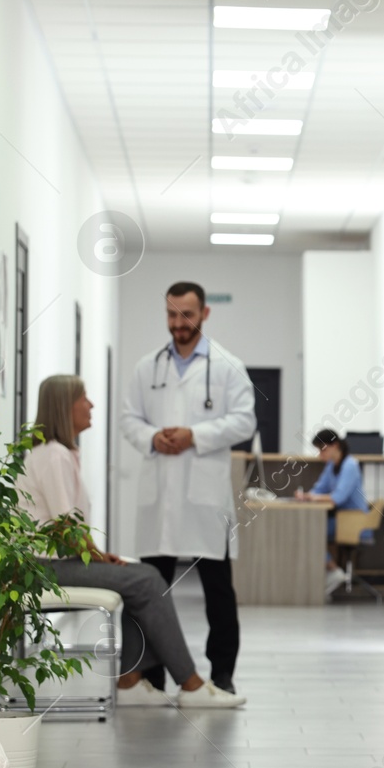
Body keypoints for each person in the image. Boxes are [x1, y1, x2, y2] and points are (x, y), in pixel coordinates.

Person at [16, 374, 244, 708]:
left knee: (142, 576)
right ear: (66, 407)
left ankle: (131, 681)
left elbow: (66, 527)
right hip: (45, 567)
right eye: (84, 399)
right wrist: (95, 556)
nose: (91, 405)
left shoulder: (62, 453)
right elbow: (64, 528)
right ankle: (191, 685)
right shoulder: (54, 456)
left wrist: (99, 555)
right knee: (148, 578)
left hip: (57, 562)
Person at [121, 281, 256, 694]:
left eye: (187, 315)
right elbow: (129, 418)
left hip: (203, 495)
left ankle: (222, 674)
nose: (178, 324)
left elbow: (245, 421)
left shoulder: (228, 366)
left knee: (217, 589)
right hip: (159, 493)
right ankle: (152, 674)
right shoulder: (148, 367)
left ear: (204, 314)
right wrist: (152, 438)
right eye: (171, 314)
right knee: (149, 590)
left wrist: (194, 435)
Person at [294, 428, 369, 594]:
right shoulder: (331, 467)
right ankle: (330, 572)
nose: (321, 455)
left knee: (311, 530)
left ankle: (333, 571)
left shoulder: (350, 465)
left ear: (335, 446)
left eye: (323, 449)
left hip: (354, 522)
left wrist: (312, 498)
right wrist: (306, 495)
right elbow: (319, 489)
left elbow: (338, 497)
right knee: (308, 528)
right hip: (341, 520)